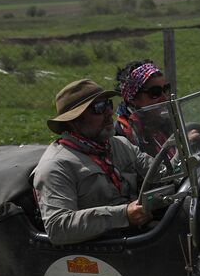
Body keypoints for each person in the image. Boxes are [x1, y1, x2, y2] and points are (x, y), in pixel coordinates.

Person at [32, 78, 156, 245]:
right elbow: (58, 228)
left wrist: (187, 150)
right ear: (74, 121)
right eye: (98, 109)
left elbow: (158, 173)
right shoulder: (56, 166)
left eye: (108, 105)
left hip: (139, 239)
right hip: (103, 252)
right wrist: (124, 215)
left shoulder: (119, 145)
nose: (108, 114)